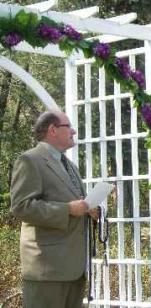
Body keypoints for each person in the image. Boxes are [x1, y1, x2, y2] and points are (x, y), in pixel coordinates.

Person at [10, 110, 93, 308]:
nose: (73, 131)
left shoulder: (70, 165)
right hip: (47, 270)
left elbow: (74, 204)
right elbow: (21, 207)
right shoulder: (29, 160)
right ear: (52, 130)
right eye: (69, 127)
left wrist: (89, 211)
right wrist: (67, 210)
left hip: (74, 268)